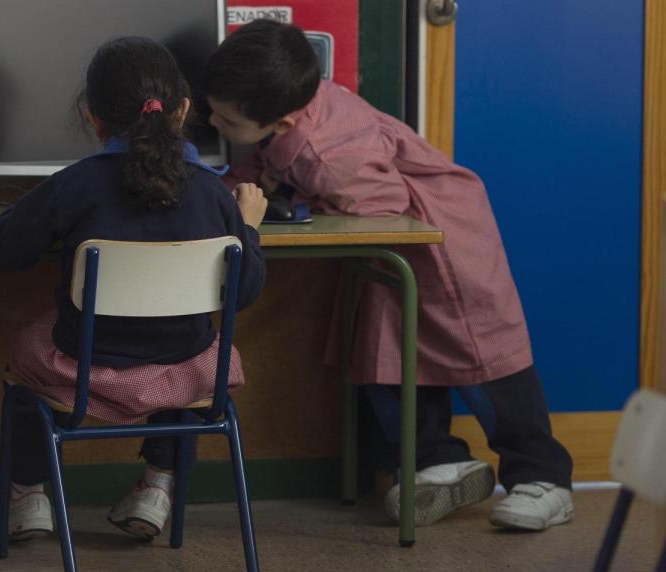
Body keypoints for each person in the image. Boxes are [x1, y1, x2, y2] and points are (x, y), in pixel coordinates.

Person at [204, 19, 573, 530]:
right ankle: (437, 459)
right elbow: (273, 164)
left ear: (283, 122)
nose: (213, 122)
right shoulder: (290, 106)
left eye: (225, 120)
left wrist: (293, 196)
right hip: (393, 249)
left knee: (485, 353)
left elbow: (383, 203)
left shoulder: (328, 157)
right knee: (390, 354)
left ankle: (545, 477)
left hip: (441, 236)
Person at [0, 36, 267, 541]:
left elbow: (5, 252)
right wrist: (247, 230)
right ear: (182, 111)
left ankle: (27, 496)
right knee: (194, 342)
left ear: (92, 117)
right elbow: (242, 293)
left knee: (25, 347)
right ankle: (158, 487)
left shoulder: (75, 184)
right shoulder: (213, 193)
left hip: (82, 373)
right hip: (185, 371)